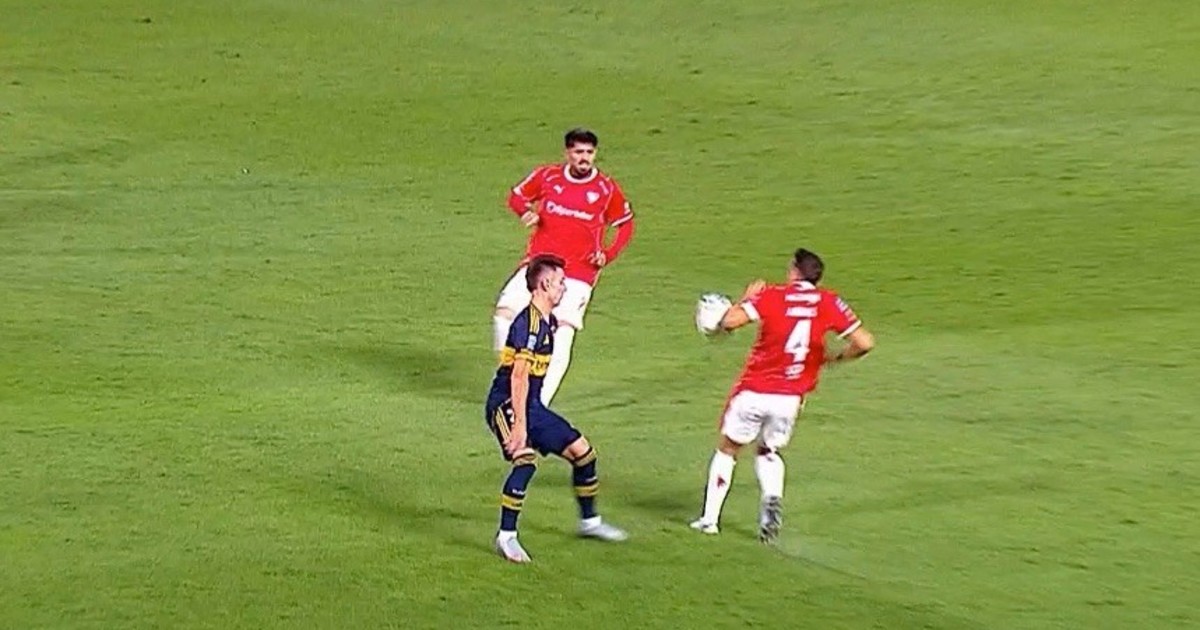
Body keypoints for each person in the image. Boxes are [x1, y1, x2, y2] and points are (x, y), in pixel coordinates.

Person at [689, 248, 876, 543]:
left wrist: (746, 299)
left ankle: (709, 521)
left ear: (794, 271)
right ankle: (771, 499)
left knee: (728, 449)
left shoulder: (772, 296)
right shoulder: (829, 301)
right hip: (790, 397)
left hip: (754, 390)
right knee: (768, 451)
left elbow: (728, 322)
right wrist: (833, 358)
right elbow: (864, 342)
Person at [485, 254, 628, 563]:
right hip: (506, 404)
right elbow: (518, 377)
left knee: (584, 454)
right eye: (561, 282)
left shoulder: (548, 321)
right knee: (525, 461)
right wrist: (519, 426)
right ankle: (506, 536)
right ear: (545, 284)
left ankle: (589, 522)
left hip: (532, 405)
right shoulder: (528, 326)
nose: (565, 287)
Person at [492, 128, 636, 406]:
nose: (584, 158)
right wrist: (525, 212)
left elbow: (625, 224)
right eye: (579, 152)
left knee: (562, 332)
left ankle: (537, 402)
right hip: (539, 265)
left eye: (589, 153)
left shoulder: (605, 189)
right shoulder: (548, 177)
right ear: (568, 153)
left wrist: (608, 254)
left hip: (578, 273)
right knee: (505, 313)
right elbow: (516, 196)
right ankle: (512, 380)